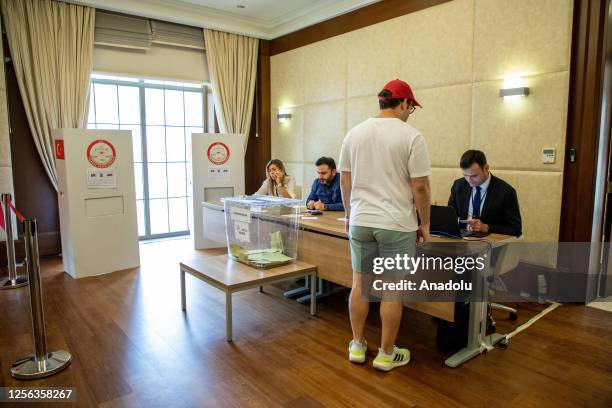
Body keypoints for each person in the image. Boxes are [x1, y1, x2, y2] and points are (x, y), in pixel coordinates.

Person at [338, 79, 431, 372]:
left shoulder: (354, 134)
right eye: (410, 108)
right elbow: (420, 188)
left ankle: (357, 344)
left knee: (360, 285)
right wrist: (425, 222)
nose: (409, 113)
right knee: (392, 290)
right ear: (403, 103)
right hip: (396, 224)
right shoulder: (412, 136)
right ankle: (387, 353)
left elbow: (345, 180)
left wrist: (350, 214)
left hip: (362, 221)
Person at [448, 150, 522, 237]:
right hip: (461, 242)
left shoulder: (506, 192)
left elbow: (516, 229)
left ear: (486, 168)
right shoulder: (459, 185)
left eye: (474, 176)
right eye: (465, 175)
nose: (469, 180)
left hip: (491, 245)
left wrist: (487, 227)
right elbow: (449, 217)